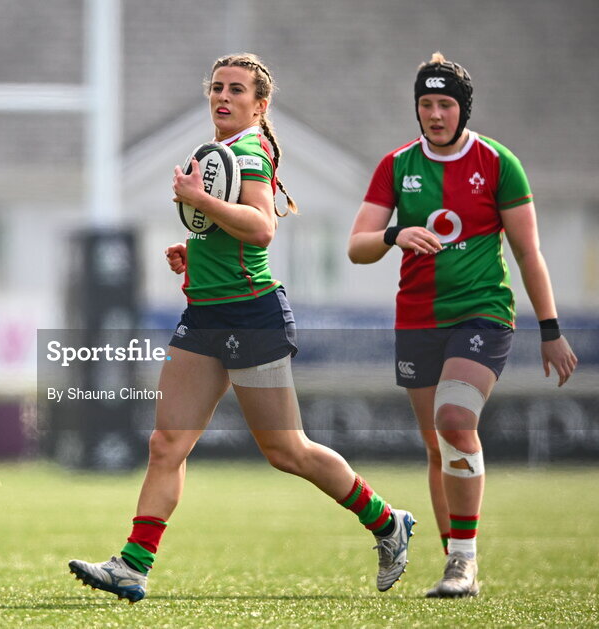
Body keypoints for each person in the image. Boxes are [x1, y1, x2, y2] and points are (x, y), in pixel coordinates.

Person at [68, 53, 416, 603]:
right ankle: (133, 566)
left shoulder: (250, 149)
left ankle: (386, 521)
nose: (223, 96)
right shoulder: (218, 152)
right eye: (216, 87)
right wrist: (195, 250)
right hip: (204, 315)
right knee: (166, 444)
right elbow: (227, 230)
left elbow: (261, 228)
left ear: (261, 103)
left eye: (236, 89)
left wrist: (200, 202)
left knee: (288, 452)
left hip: (251, 316)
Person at [347, 52, 578, 598]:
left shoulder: (498, 164)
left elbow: (528, 253)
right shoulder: (396, 166)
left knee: (454, 421)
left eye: (445, 103)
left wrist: (551, 328)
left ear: (463, 108)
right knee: (436, 445)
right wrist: (393, 236)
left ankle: (465, 563)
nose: (434, 114)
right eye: (425, 104)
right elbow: (357, 247)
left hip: (483, 314)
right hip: (417, 319)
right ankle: (454, 563)